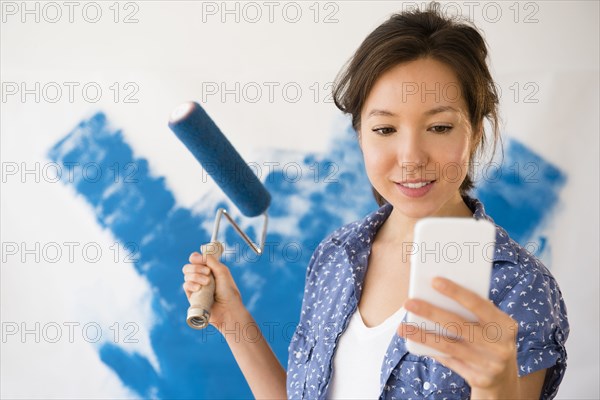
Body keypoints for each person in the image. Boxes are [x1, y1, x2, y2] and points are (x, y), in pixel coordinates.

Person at [182, 3, 569, 399]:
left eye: (439, 127)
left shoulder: (518, 287)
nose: (411, 157)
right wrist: (234, 322)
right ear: (360, 136)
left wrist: (496, 388)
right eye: (385, 128)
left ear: (475, 131)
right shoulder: (336, 255)